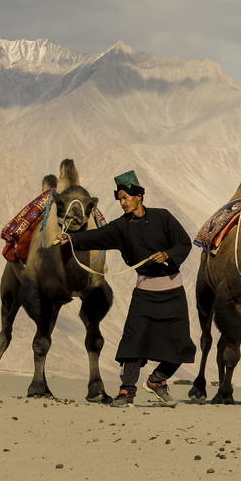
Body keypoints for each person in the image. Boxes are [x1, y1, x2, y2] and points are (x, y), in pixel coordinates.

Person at [55, 170, 195, 407]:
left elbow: (184, 242)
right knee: (134, 341)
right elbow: (96, 236)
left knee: (181, 343)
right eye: (119, 199)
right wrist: (71, 240)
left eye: (125, 198)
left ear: (139, 196)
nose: (122, 203)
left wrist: (168, 255)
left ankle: (158, 381)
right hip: (145, 294)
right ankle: (126, 392)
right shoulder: (121, 227)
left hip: (173, 292)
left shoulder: (164, 217)